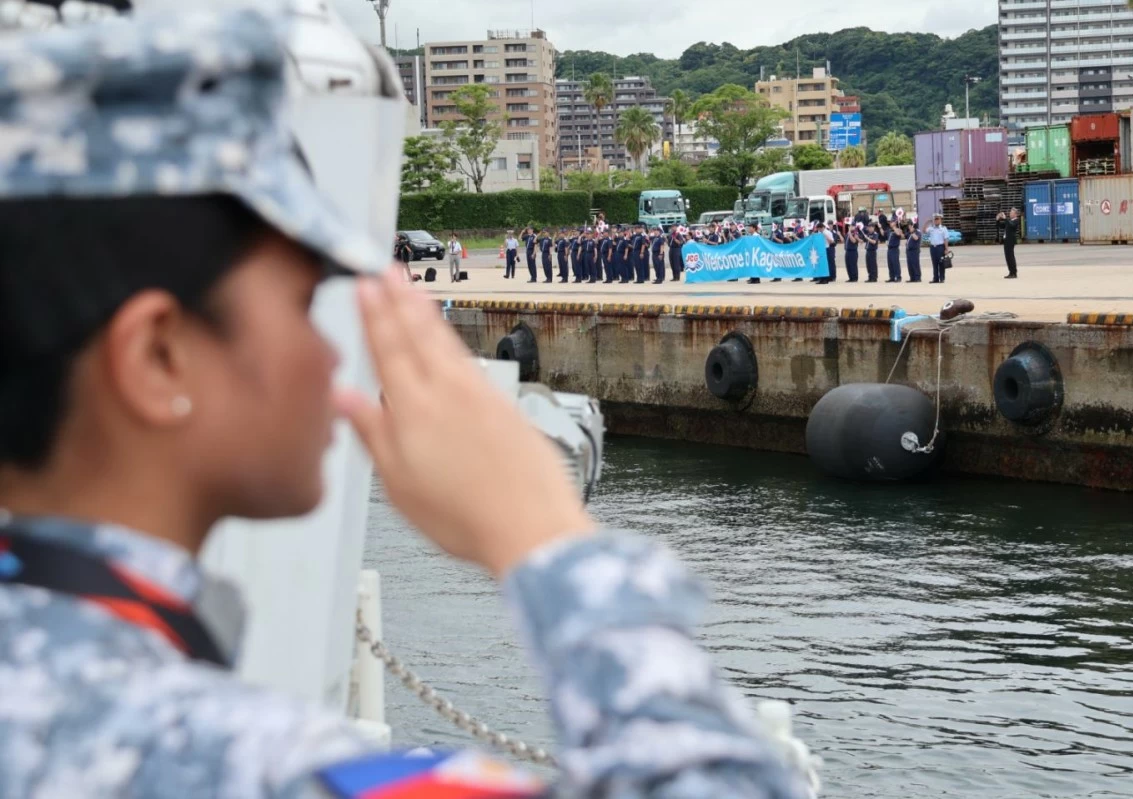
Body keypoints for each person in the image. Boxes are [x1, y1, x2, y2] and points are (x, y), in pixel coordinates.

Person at [0, 10, 819, 799]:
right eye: (300, 301)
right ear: (156, 355)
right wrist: (540, 533)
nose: (330, 350)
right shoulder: (238, 763)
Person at [925, 214, 952, 285]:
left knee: (941, 263)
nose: (936, 220)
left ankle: (942, 278)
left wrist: (946, 249)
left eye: (937, 219)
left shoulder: (943, 228)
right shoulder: (931, 228)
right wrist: (927, 222)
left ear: (940, 220)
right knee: (934, 263)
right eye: (935, 219)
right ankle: (935, 278)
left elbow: (946, 239)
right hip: (933, 247)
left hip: (940, 247)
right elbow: (924, 231)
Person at [997, 207, 1021, 279]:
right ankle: (1011, 272)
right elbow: (1001, 226)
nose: (1010, 214)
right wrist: (998, 220)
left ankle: (1014, 273)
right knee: (1008, 257)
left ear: (1015, 214)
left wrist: (1005, 218)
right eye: (1010, 212)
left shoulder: (1016, 220)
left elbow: (1011, 225)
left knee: (1010, 257)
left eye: (1011, 212)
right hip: (1006, 241)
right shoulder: (1009, 221)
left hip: (1010, 241)